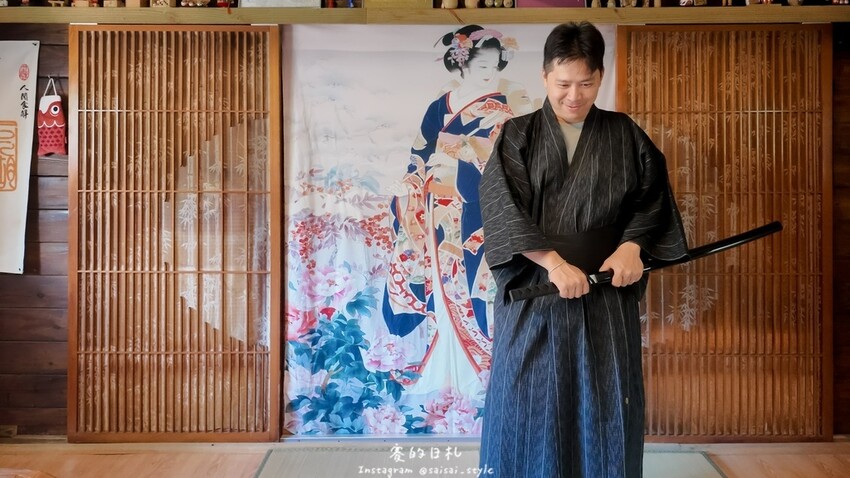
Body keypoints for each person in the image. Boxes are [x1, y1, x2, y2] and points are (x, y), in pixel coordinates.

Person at [478, 22, 689, 477]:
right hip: (537, 289)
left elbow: (650, 199)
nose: (574, 95)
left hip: (605, 290)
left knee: (605, 399)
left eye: (586, 83)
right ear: (544, 77)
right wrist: (553, 263)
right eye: (563, 84)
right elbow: (500, 208)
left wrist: (631, 248)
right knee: (526, 401)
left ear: (600, 76)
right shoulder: (518, 136)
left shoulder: (624, 133)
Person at [381, 25, 530, 398]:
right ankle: (442, 368)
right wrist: (411, 186)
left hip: (477, 209)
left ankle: (483, 370)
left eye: (494, 64)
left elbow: (508, 163)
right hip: (437, 211)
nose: (489, 71)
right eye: (481, 64)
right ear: (461, 63)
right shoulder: (440, 107)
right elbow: (419, 156)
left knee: (477, 288)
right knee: (441, 284)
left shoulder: (501, 111)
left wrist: (463, 160)